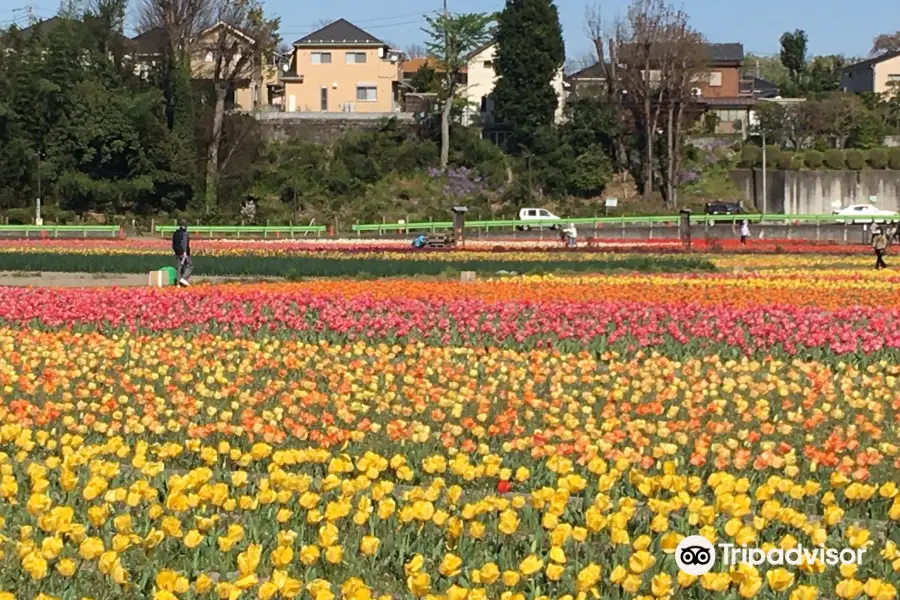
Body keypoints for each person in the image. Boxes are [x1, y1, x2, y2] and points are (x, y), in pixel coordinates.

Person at [172, 218, 193, 286]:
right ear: (184, 226)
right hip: (183, 253)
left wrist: (176, 251)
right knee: (190, 265)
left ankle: (178, 284)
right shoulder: (185, 233)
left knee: (179, 267)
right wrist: (185, 252)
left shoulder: (175, 233)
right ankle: (184, 279)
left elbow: (173, 244)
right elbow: (184, 243)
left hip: (177, 253)